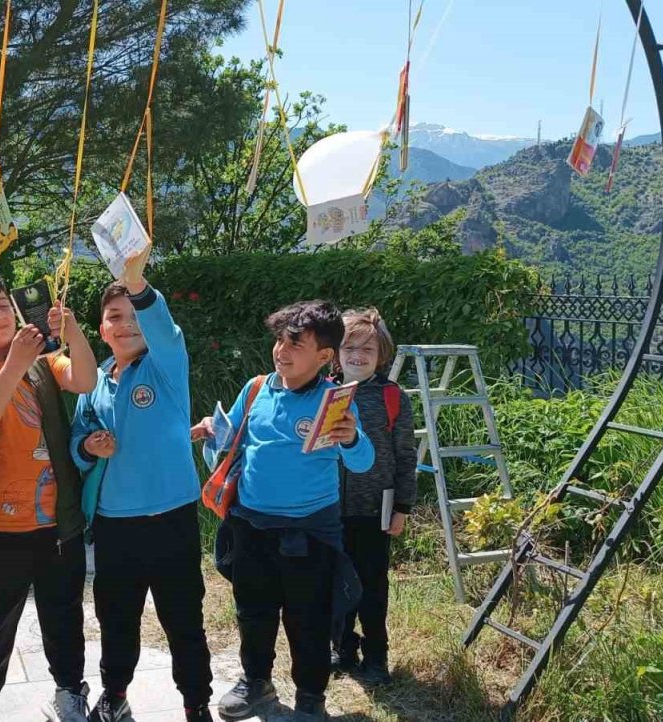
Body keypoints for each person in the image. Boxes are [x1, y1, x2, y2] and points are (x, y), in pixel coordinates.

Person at [192, 300, 374, 722]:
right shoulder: (256, 389)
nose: (282, 351)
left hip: (310, 532)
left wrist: (350, 439)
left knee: (308, 619)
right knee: (252, 611)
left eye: (296, 344)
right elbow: (229, 445)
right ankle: (257, 682)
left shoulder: (335, 400)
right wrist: (211, 432)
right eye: (279, 340)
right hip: (251, 525)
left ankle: (311, 698)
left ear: (325, 356)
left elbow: (363, 463)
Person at [0, 273, 99, 722]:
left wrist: (71, 331)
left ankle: (70, 690)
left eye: (1, 305)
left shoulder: (46, 363)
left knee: (64, 614)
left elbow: (85, 379)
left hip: (56, 523)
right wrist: (12, 363)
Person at [70, 250, 213, 722]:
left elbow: (166, 330)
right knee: (116, 618)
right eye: (115, 317)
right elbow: (77, 439)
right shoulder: (92, 382)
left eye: (134, 316)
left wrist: (137, 284)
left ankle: (196, 703)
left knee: (183, 619)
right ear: (102, 330)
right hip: (115, 525)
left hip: (171, 520)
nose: (126, 323)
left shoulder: (165, 368)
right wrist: (90, 445)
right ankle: (115, 695)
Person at [332, 308, 417, 685]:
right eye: (350, 347)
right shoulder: (323, 392)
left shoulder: (392, 397)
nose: (358, 356)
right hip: (327, 509)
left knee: (371, 586)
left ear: (381, 354)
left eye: (368, 349)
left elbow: (405, 456)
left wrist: (402, 507)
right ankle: (342, 649)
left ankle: (377, 655)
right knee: (334, 583)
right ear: (335, 352)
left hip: (374, 509)